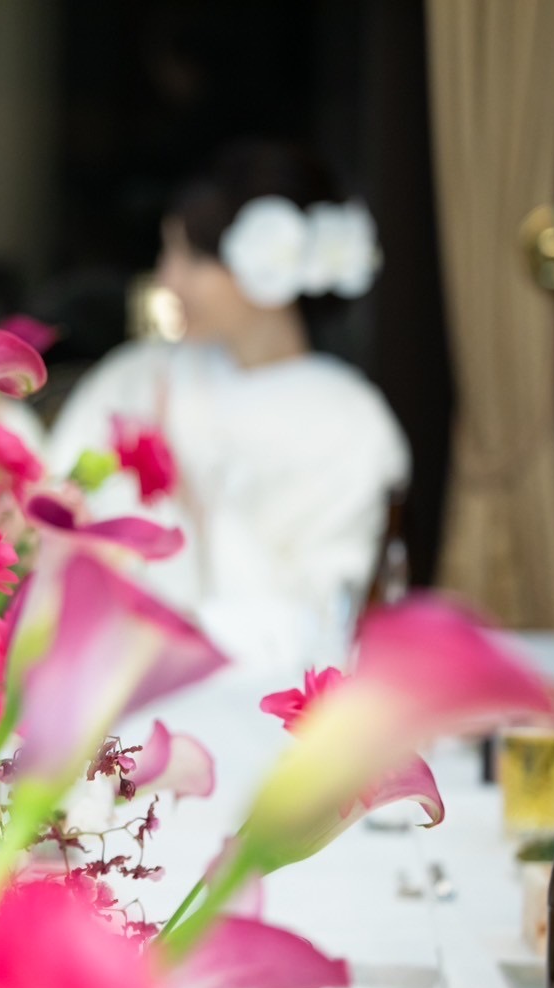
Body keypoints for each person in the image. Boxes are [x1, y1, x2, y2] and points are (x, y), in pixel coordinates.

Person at [46, 141, 410, 669]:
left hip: (261, 696)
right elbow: (55, 498)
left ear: (259, 268)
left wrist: (199, 498)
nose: (168, 278)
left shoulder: (351, 421)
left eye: (190, 257)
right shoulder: (141, 374)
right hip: (106, 676)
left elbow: (323, 617)